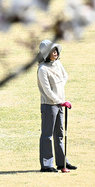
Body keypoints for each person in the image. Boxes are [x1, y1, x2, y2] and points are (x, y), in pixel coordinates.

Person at [37, 40, 76, 172]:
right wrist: (59, 100)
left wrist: (59, 88)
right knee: (47, 135)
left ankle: (62, 162)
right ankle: (47, 165)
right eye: (52, 51)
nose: (55, 53)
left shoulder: (57, 64)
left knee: (59, 134)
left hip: (59, 104)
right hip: (49, 105)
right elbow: (47, 91)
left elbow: (65, 76)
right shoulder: (42, 69)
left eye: (55, 50)